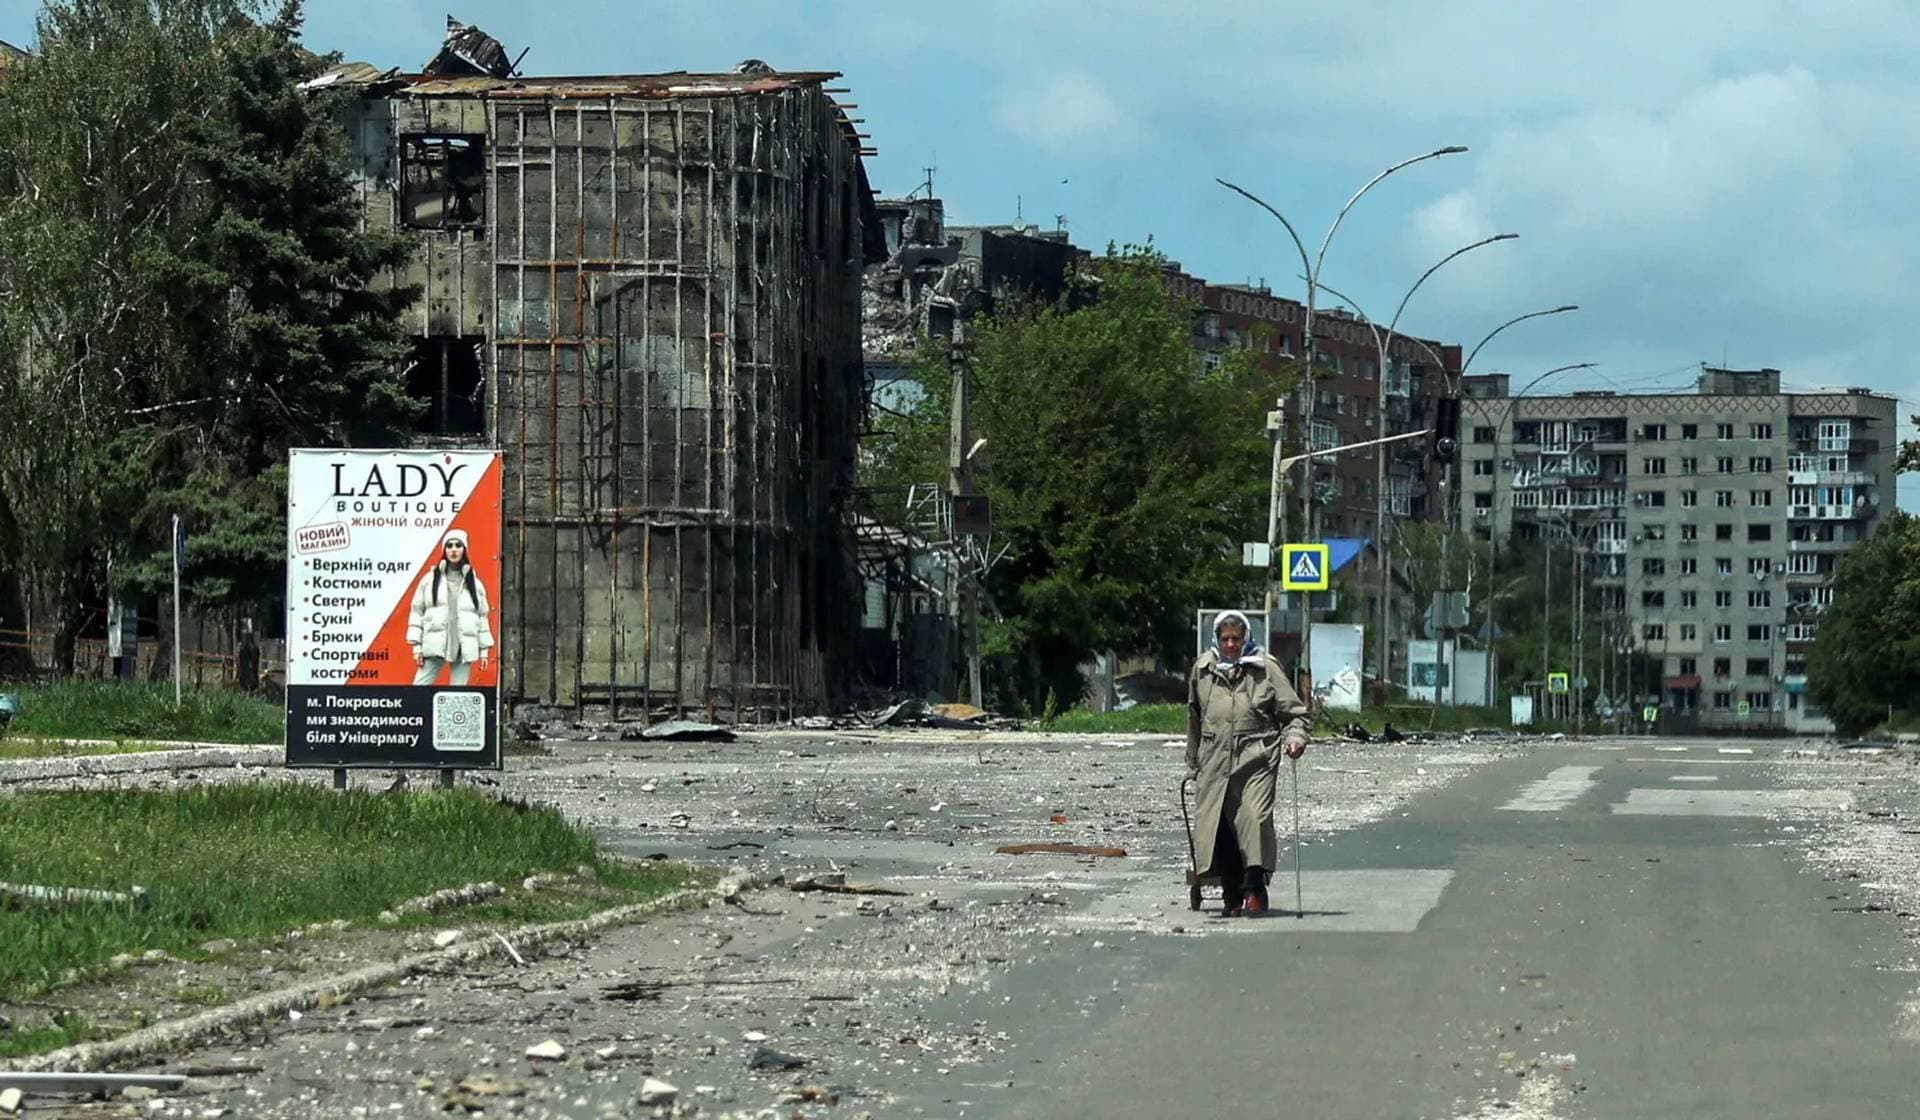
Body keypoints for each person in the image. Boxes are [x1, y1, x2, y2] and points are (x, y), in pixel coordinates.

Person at [1186, 610, 1310, 916]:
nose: (1230, 645)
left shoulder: (1265, 668)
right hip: (1215, 758)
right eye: (1225, 639)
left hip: (1257, 755)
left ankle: (1255, 887)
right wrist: (1193, 762)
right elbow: (1194, 718)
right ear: (1216, 639)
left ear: (1246, 639)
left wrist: (1295, 739)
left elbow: (1295, 714)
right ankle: (1231, 894)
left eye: (1236, 639)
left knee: (1253, 817)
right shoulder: (1203, 669)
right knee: (1220, 826)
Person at [407, 529, 494, 686]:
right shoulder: (429, 580)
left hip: (463, 647)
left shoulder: (474, 582)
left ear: (464, 549)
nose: (453, 550)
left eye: (458, 545)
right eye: (449, 546)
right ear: (444, 550)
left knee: (457, 696)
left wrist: (484, 652)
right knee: (417, 690)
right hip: (435, 645)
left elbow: (482, 617)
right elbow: (417, 612)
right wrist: (417, 649)